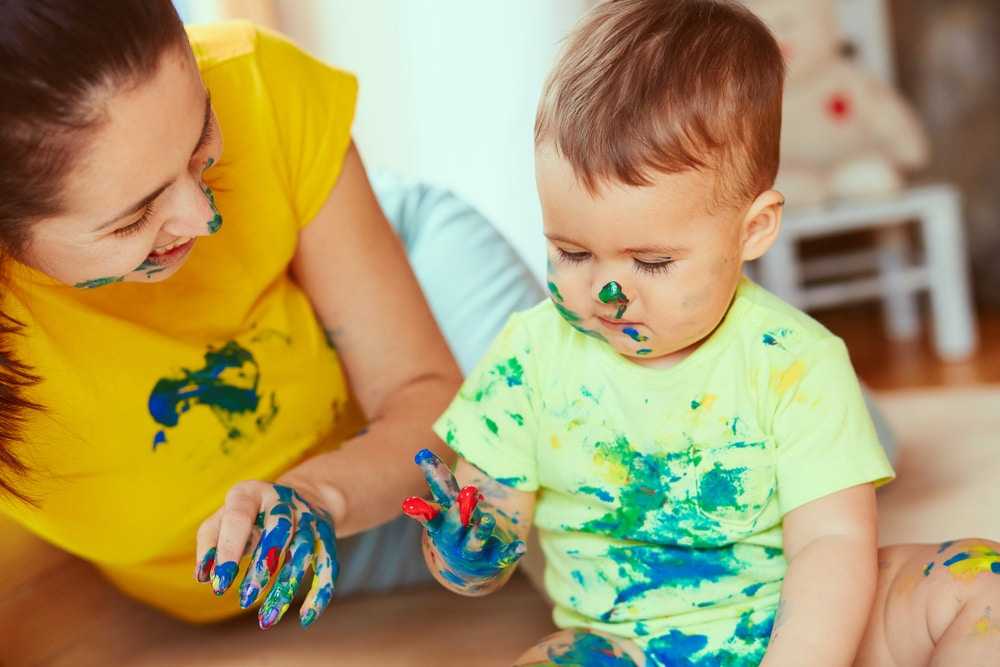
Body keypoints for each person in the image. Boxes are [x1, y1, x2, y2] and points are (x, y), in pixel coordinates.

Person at [403, 1, 1000, 664]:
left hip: (810, 631)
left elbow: (831, 546)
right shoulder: (528, 357)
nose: (607, 291)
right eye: (572, 252)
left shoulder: (797, 362)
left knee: (982, 580)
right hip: (625, 645)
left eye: (651, 261)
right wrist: (466, 546)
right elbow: (481, 549)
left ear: (753, 230)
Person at [0, 1, 541, 629]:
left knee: (579, 487)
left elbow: (422, 393)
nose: (204, 218)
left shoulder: (252, 78)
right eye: (135, 217)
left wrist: (317, 495)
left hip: (417, 325)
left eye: (204, 137)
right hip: (323, 557)